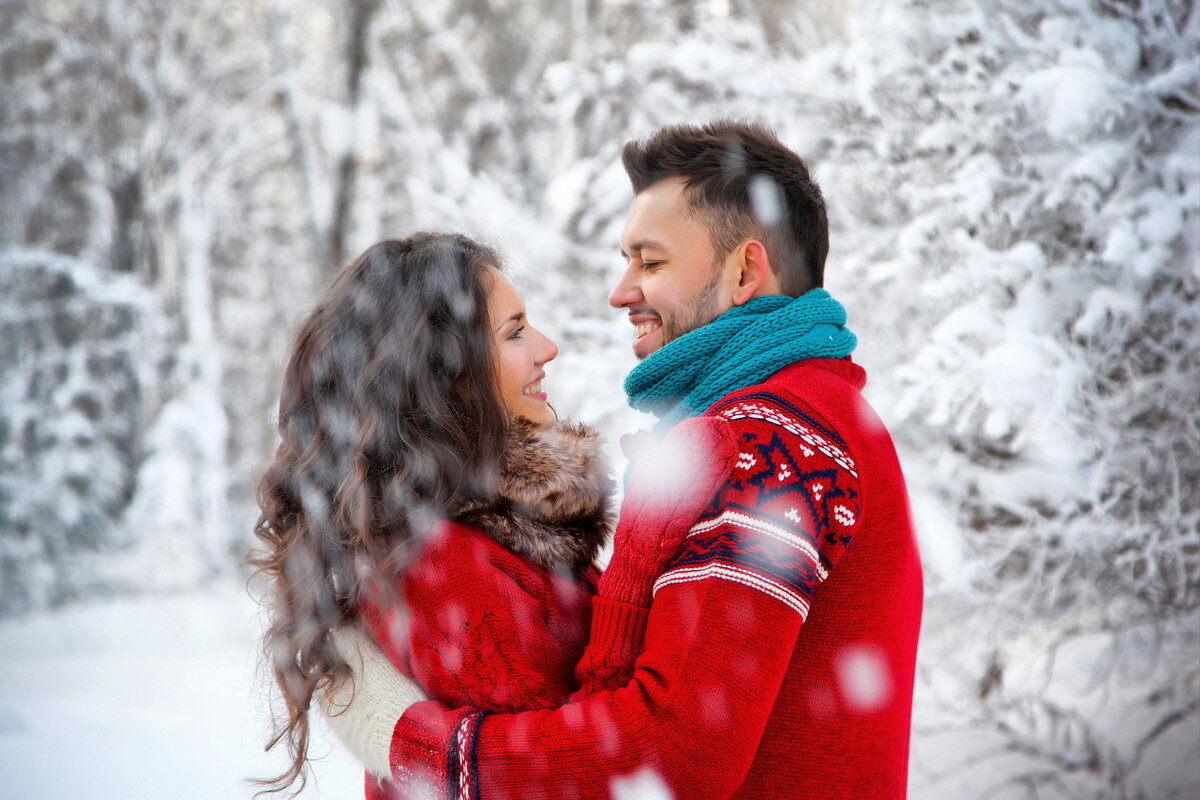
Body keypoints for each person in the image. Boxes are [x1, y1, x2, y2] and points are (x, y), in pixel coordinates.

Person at [326, 121, 924, 799]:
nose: (620, 290)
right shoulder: (822, 413)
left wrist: (404, 738)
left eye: (651, 261)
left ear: (743, 271)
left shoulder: (764, 441)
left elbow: (670, 754)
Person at [249, 233, 732, 799]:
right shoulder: (443, 562)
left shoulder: (487, 534)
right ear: (444, 373)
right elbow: (574, 774)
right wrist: (644, 545)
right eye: (515, 332)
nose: (547, 347)